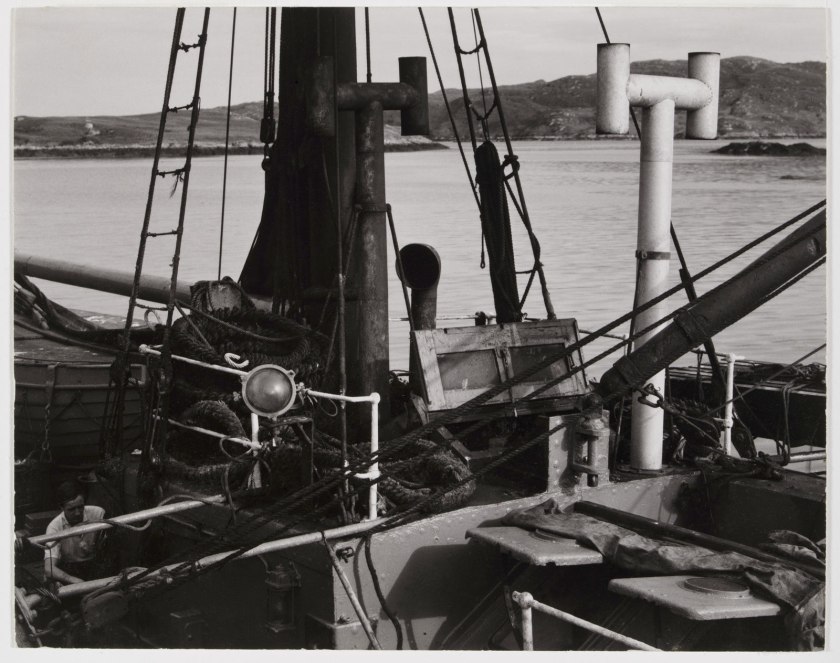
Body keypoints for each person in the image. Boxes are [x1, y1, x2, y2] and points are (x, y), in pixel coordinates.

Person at [43, 480, 106, 585]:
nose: (77, 513)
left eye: (80, 507)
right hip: (70, 569)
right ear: (61, 508)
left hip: (95, 566)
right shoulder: (54, 527)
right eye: (71, 509)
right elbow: (49, 568)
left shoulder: (98, 514)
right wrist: (75, 581)